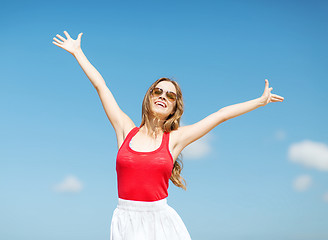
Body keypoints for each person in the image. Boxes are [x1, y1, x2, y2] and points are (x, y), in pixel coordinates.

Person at [52, 31, 284, 240]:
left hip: (161, 222)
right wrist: (78, 53)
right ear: (149, 97)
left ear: (174, 107)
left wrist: (259, 101)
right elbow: (101, 87)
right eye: (158, 91)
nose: (163, 96)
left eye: (171, 96)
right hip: (125, 220)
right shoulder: (125, 130)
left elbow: (220, 115)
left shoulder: (174, 140)